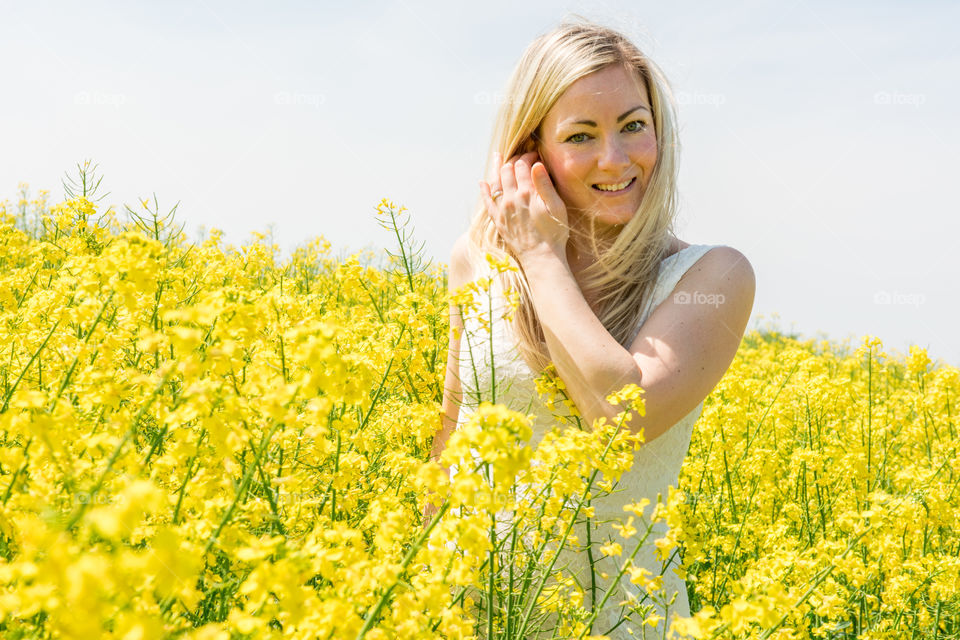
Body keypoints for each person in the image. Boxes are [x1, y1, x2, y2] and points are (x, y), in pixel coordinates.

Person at [428, 17, 755, 638]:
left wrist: (541, 255)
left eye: (634, 126)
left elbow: (618, 417)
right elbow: (454, 434)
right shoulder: (473, 261)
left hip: (619, 614)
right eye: (581, 135)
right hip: (475, 607)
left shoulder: (713, 275)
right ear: (531, 155)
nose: (616, 158)